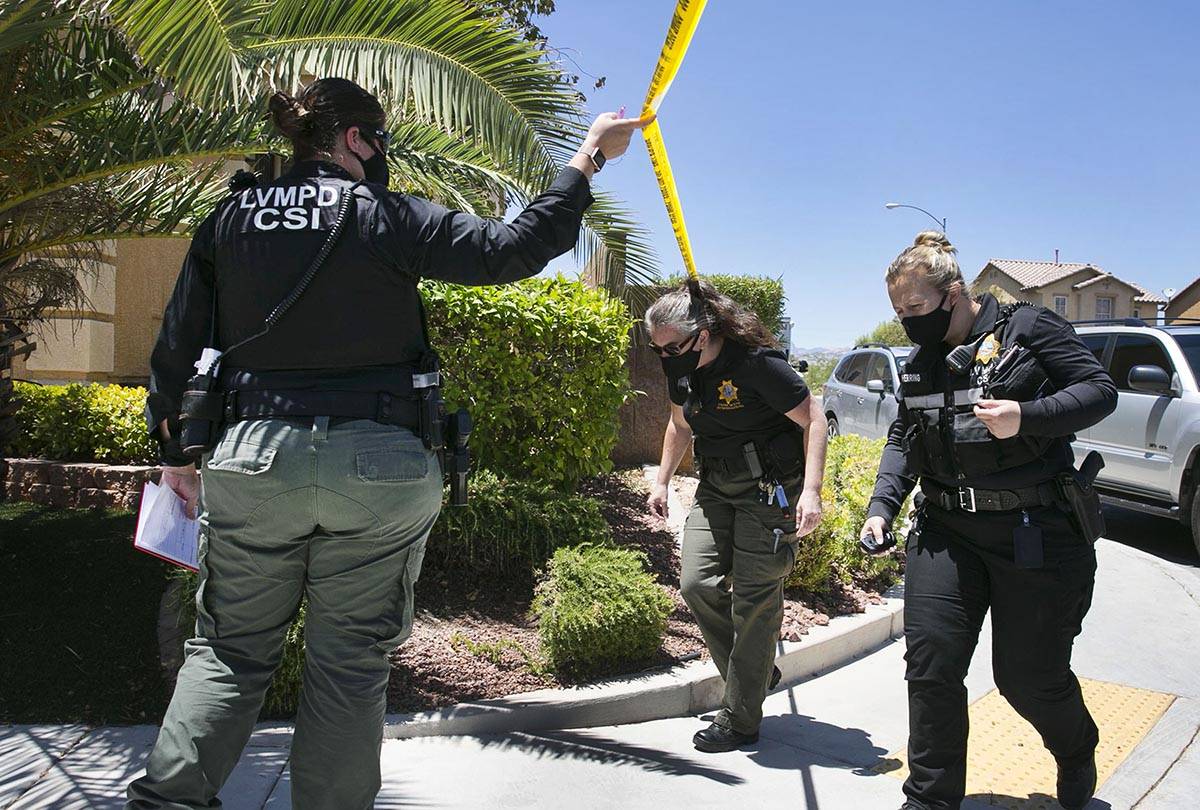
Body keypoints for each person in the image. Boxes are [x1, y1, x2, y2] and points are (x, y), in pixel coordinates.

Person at [127, 77, 651, 810]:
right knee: (347, 667)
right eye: (379, 143)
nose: (382, 158)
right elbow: (514, 248)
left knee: (229, 650)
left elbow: (177, 340)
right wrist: (588, 158)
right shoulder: (385, 215)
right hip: (378, 466)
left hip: (253, 456)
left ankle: (170, 798)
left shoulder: (230, 218)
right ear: (352, 139)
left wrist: (174, 455)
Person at [860, 232, 1117, 810]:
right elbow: (904, 437)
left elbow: (1100, 392)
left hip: (1034, 533)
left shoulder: (1030, 330)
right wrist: (882, 507)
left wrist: (1027, 415)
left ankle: (1076, 749)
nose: (907, 322)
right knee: (931, 667)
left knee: (1028, 678)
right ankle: (929, 799)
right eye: (898, 313)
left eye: (916, 309)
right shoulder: (922, 363)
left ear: (954, 294)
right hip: (946, 533)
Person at [645, 280, 828, 753]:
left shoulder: (755, 365)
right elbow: (679, 423)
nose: (665, 357)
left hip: (769, 493)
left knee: (754, 600)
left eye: (671, 347)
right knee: (696, 583)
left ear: (702, 335)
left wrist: (811, 492)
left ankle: (741, 718)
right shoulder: (680, 369)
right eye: (657, 349)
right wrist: (662, 480)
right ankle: (753, 669)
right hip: (715, 486)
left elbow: (815, 419)